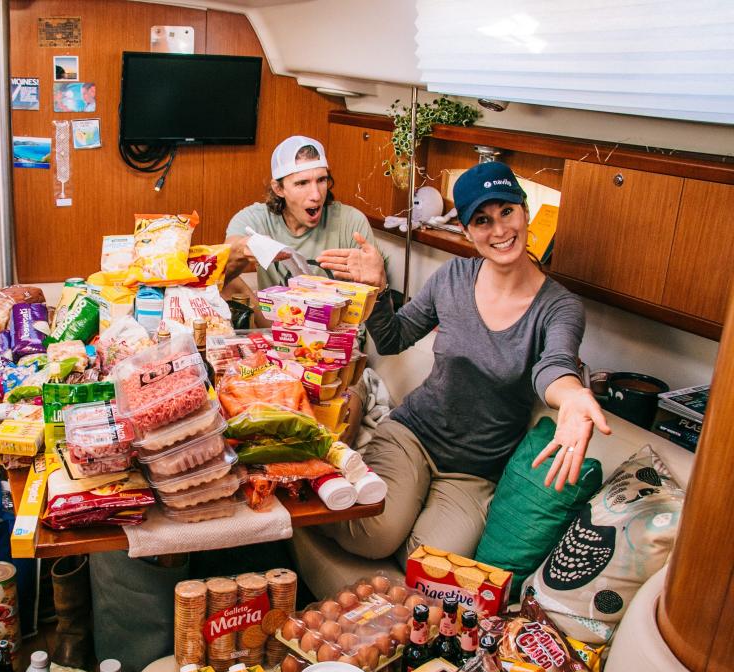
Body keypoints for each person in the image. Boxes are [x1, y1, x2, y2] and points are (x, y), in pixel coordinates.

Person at [314, 161, 610, 563]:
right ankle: (333, 503)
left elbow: (553, 365)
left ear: (524, 211)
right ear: (468, 232)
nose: (500, 230)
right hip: (413, 436)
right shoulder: (453, 277)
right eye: (483, 220)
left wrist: (573, 396)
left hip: (473, 472)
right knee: (375, 535)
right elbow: (393, 338)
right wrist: (376, 288)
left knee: (427, 565)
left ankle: (401, 512)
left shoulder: (559, 307)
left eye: (507, 211)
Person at [223, 135, 379, 305]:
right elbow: (220, 266)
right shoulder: (254, 219)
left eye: (321, 180)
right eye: (302, 183)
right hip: (277, 323)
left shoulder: (352, 222)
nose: (316, 195)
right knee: (229, 283)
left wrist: (378, 281)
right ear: (279, 189)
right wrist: (242, 249)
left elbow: (374, 305)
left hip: (335, 325)